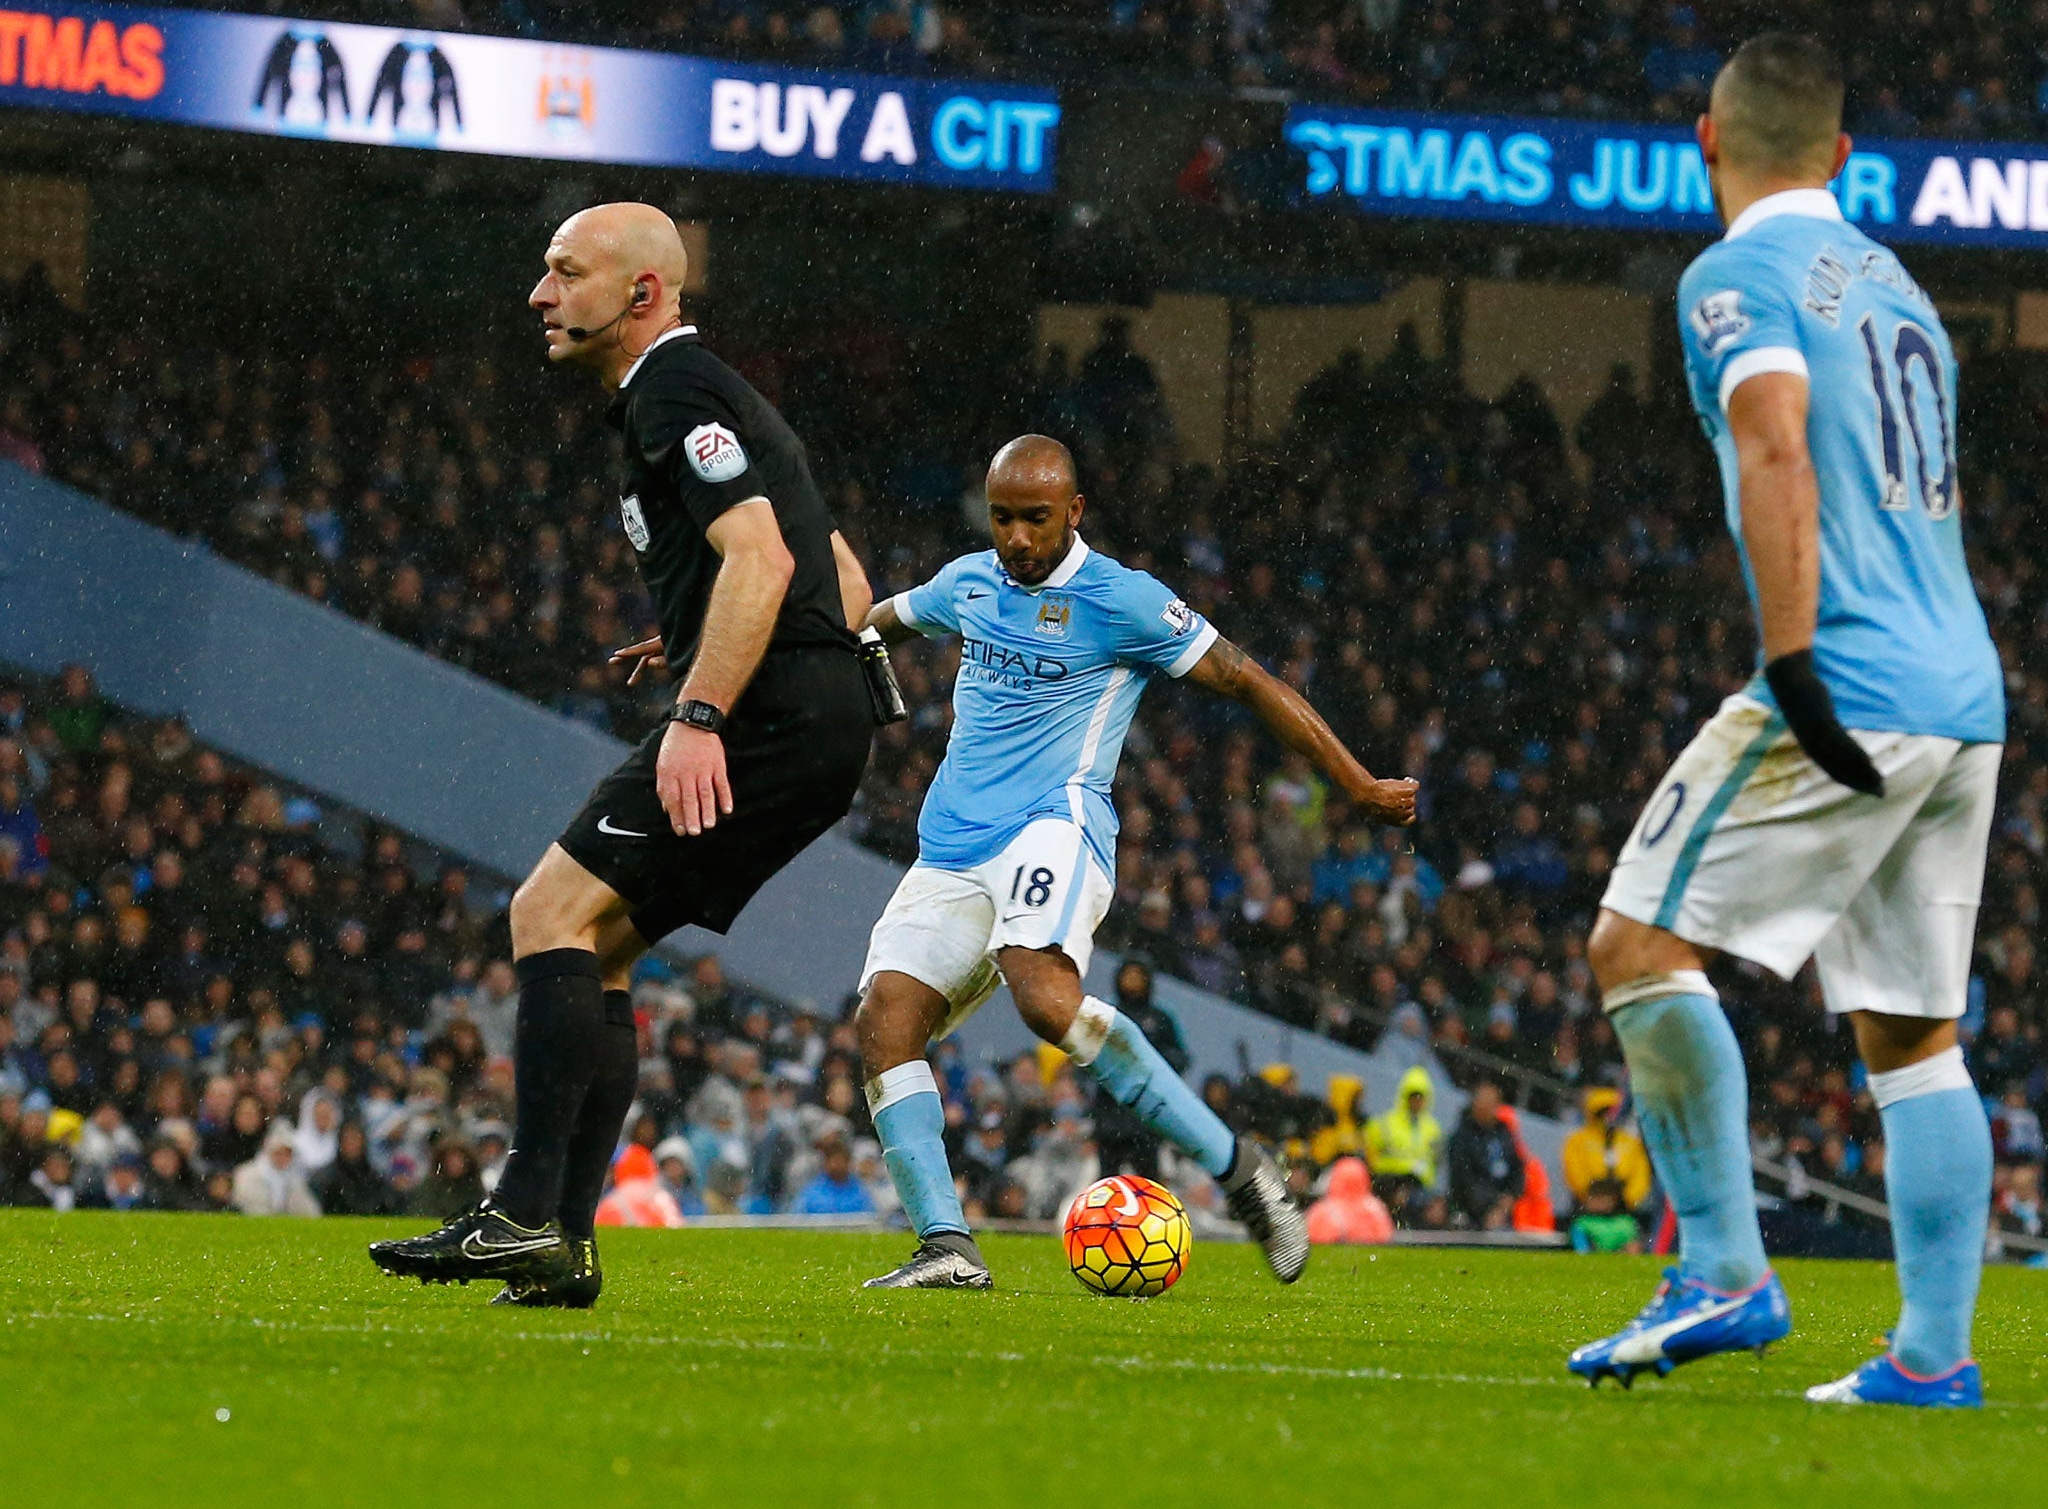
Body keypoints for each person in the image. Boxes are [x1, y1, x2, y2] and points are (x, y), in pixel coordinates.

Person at [1570, 35, 2006, 1409]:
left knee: (1636, 940)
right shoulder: (1903, 290)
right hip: (1966, 690)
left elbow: (1772, 433)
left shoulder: (1735, 274)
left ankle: (1720, 1268)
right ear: (1842, 157)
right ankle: (1932, 1358)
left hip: (1856, 675)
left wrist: (1793, 657)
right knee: (1907, 1034)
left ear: (1709, 139)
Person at [369, 203, 878, 1308]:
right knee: (594, 951)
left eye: (567, 272)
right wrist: (709, 632)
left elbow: (760, 560)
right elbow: (839, 577)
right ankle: (561, 1243)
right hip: (815, 720)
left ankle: (521, 1211)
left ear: (643, 293)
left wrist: (704, 710)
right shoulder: (718, 396)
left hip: (766, 723)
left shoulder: (674, 392)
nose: (540, 295)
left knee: (544, 915)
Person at [855, 433, 1417, 1288]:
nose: (1017, 539)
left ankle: (1241, 1172)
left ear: (1073, 512)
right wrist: (724, 651)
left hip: (1054, 825)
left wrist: (1357, 783)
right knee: (884, 1027)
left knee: (1045, 999)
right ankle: (947, 1246)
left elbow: (1249, 679)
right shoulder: (968, 582)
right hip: (951, 849)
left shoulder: (1124, 600)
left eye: (1036, 520)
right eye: (1003, 518)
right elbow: (868, 620)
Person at [1088, 958, 1189, 1180]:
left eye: (1138, 975)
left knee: (1148, 1180)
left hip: (1146, 1111)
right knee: (1107, 1180)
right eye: (1128, 975)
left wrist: (1151, 1063)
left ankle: (1151, 1215)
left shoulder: (1161, 1015)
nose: (1132, 981)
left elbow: (1181, 1057)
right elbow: (1087, 1055)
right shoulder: (1106, 1012)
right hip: (1110, 1109)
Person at [1363, 1066, 1443, 1221]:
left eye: (1420, 1097)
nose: (1416, 1101)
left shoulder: (1433, 1129)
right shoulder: (1385, 1123)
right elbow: (1371, 1156)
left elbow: (1435, 1163)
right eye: (1413, 1096)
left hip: (1420, 1187)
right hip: (1388, 1183)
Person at [1447, 1079, 1525, 1231]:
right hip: (1470, 1211)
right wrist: (1491, 1206)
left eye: (1492, 1104)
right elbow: (1463, 1179)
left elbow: (1518, 1168)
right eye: (1484, 1104)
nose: (1489, 1109)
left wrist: (1509, 1198)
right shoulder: (1461, 1137)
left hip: (1502, 1209)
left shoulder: (1504, 1133)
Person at [1560, 1088, 1651, 1216]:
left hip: (1622, 1207)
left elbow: (1641, 1173)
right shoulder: (1578, 1140)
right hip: (1587, 1204)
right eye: (1603, 1111)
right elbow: (1573, 1168)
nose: (1608, 1117)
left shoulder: (1630, 1142)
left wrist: (1628, 1198)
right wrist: (1591, 1196)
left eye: (1612, 1112)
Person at [232, 1121, 321, 1218]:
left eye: (287, 1154)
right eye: (279, 1153)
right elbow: (247, 1205)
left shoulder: (294, 1180)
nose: (283, 1158)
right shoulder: (247, 1174)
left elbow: (310, 1212)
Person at [1305, 1155, 1394, 1245]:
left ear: (1335, 1178)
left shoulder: (1322, 1210)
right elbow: (1386, 1239)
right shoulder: (1375, 1209)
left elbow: (1311, 1241)